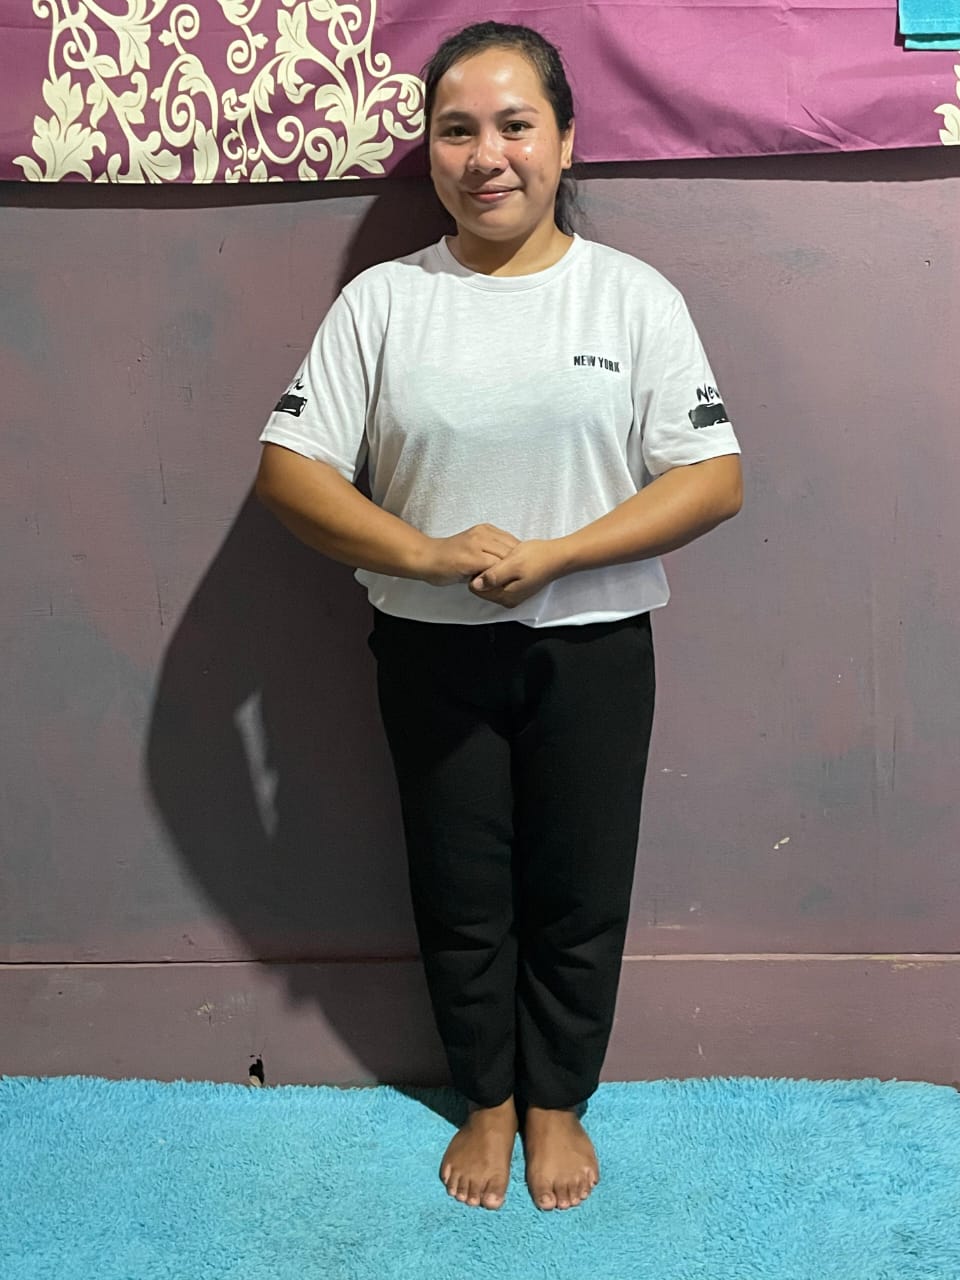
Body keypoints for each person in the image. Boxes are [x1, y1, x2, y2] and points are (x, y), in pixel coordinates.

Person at [254, 21, 743, 1213]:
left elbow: (711, 477)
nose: (487, 156)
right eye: (457, 130)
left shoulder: (631, 298)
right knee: (459, 883)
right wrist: (423, 552)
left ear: (566, 141)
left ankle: (558, 1097)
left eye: (516, 125)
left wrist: (561, 554)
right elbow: (290, 472)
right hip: (431, 648)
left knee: (580, 882)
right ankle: (486, 1094)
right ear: (429, 150)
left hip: (595, 646)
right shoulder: (383, 303)